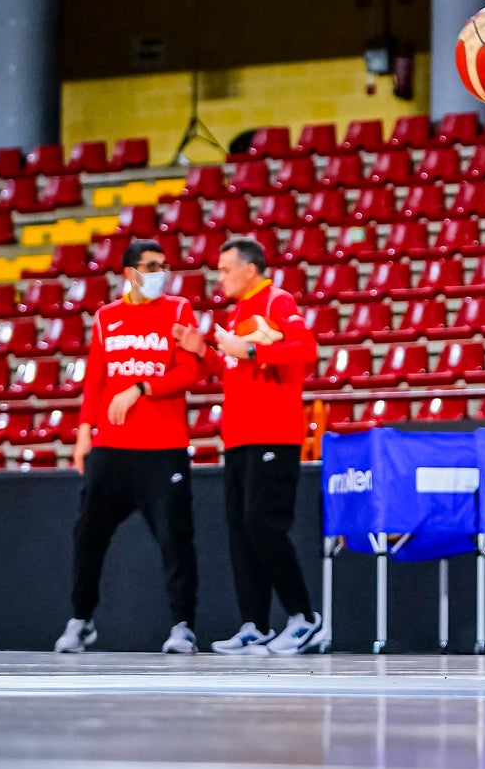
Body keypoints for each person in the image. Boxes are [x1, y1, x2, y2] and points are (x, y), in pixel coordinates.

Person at [173, 237, 327, 655]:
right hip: (239, 437)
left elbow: (306, 349)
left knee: (263, 523)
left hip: (274, 433)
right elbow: (231, 367)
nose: (219, 277)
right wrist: (201, 350)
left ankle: (305, 617)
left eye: (225, 269)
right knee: (242, 531)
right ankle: (254, 625)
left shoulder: (276, 302)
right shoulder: (238, 312)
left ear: (251, 268)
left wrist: (252, 348)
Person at [54, 238, 203, 654]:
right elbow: (96, 380)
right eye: (151, 265)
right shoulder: (106, 318)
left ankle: (183, 626)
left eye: (164, 264)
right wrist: (84, 434)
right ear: (130, 273)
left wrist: (141, 388)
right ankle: (81, 620)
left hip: (164, 447)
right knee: (88, 535)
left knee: (176, 537)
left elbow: (189, 371)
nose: (160, 272)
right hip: (112, 448)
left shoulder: (178, 310)